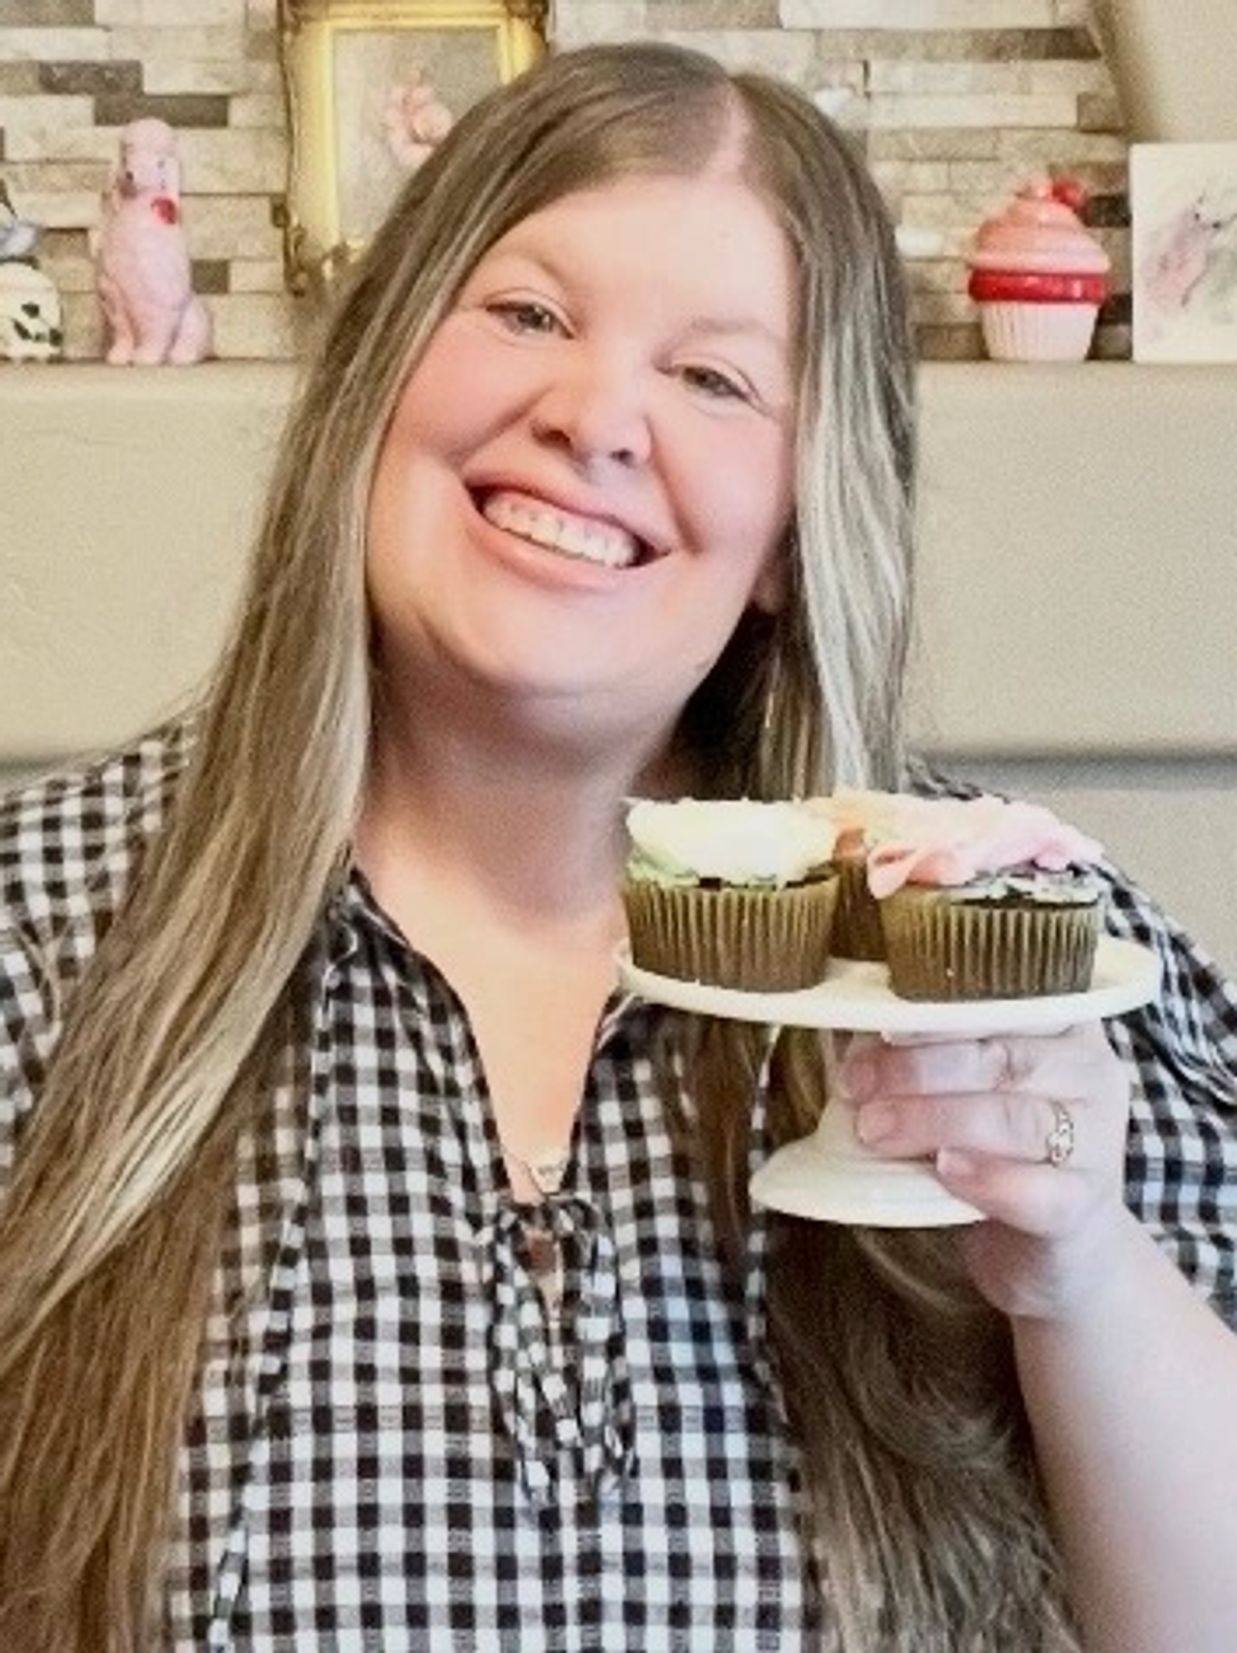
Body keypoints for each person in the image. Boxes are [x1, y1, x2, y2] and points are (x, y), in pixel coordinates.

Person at [0, 41, 1234, 1653]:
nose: (592, 418)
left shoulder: (1024, 961)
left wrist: (1075, 1269)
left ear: (794, 527)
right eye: (527, 314)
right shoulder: (38, 927)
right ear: (375, 378)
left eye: (714, 379)